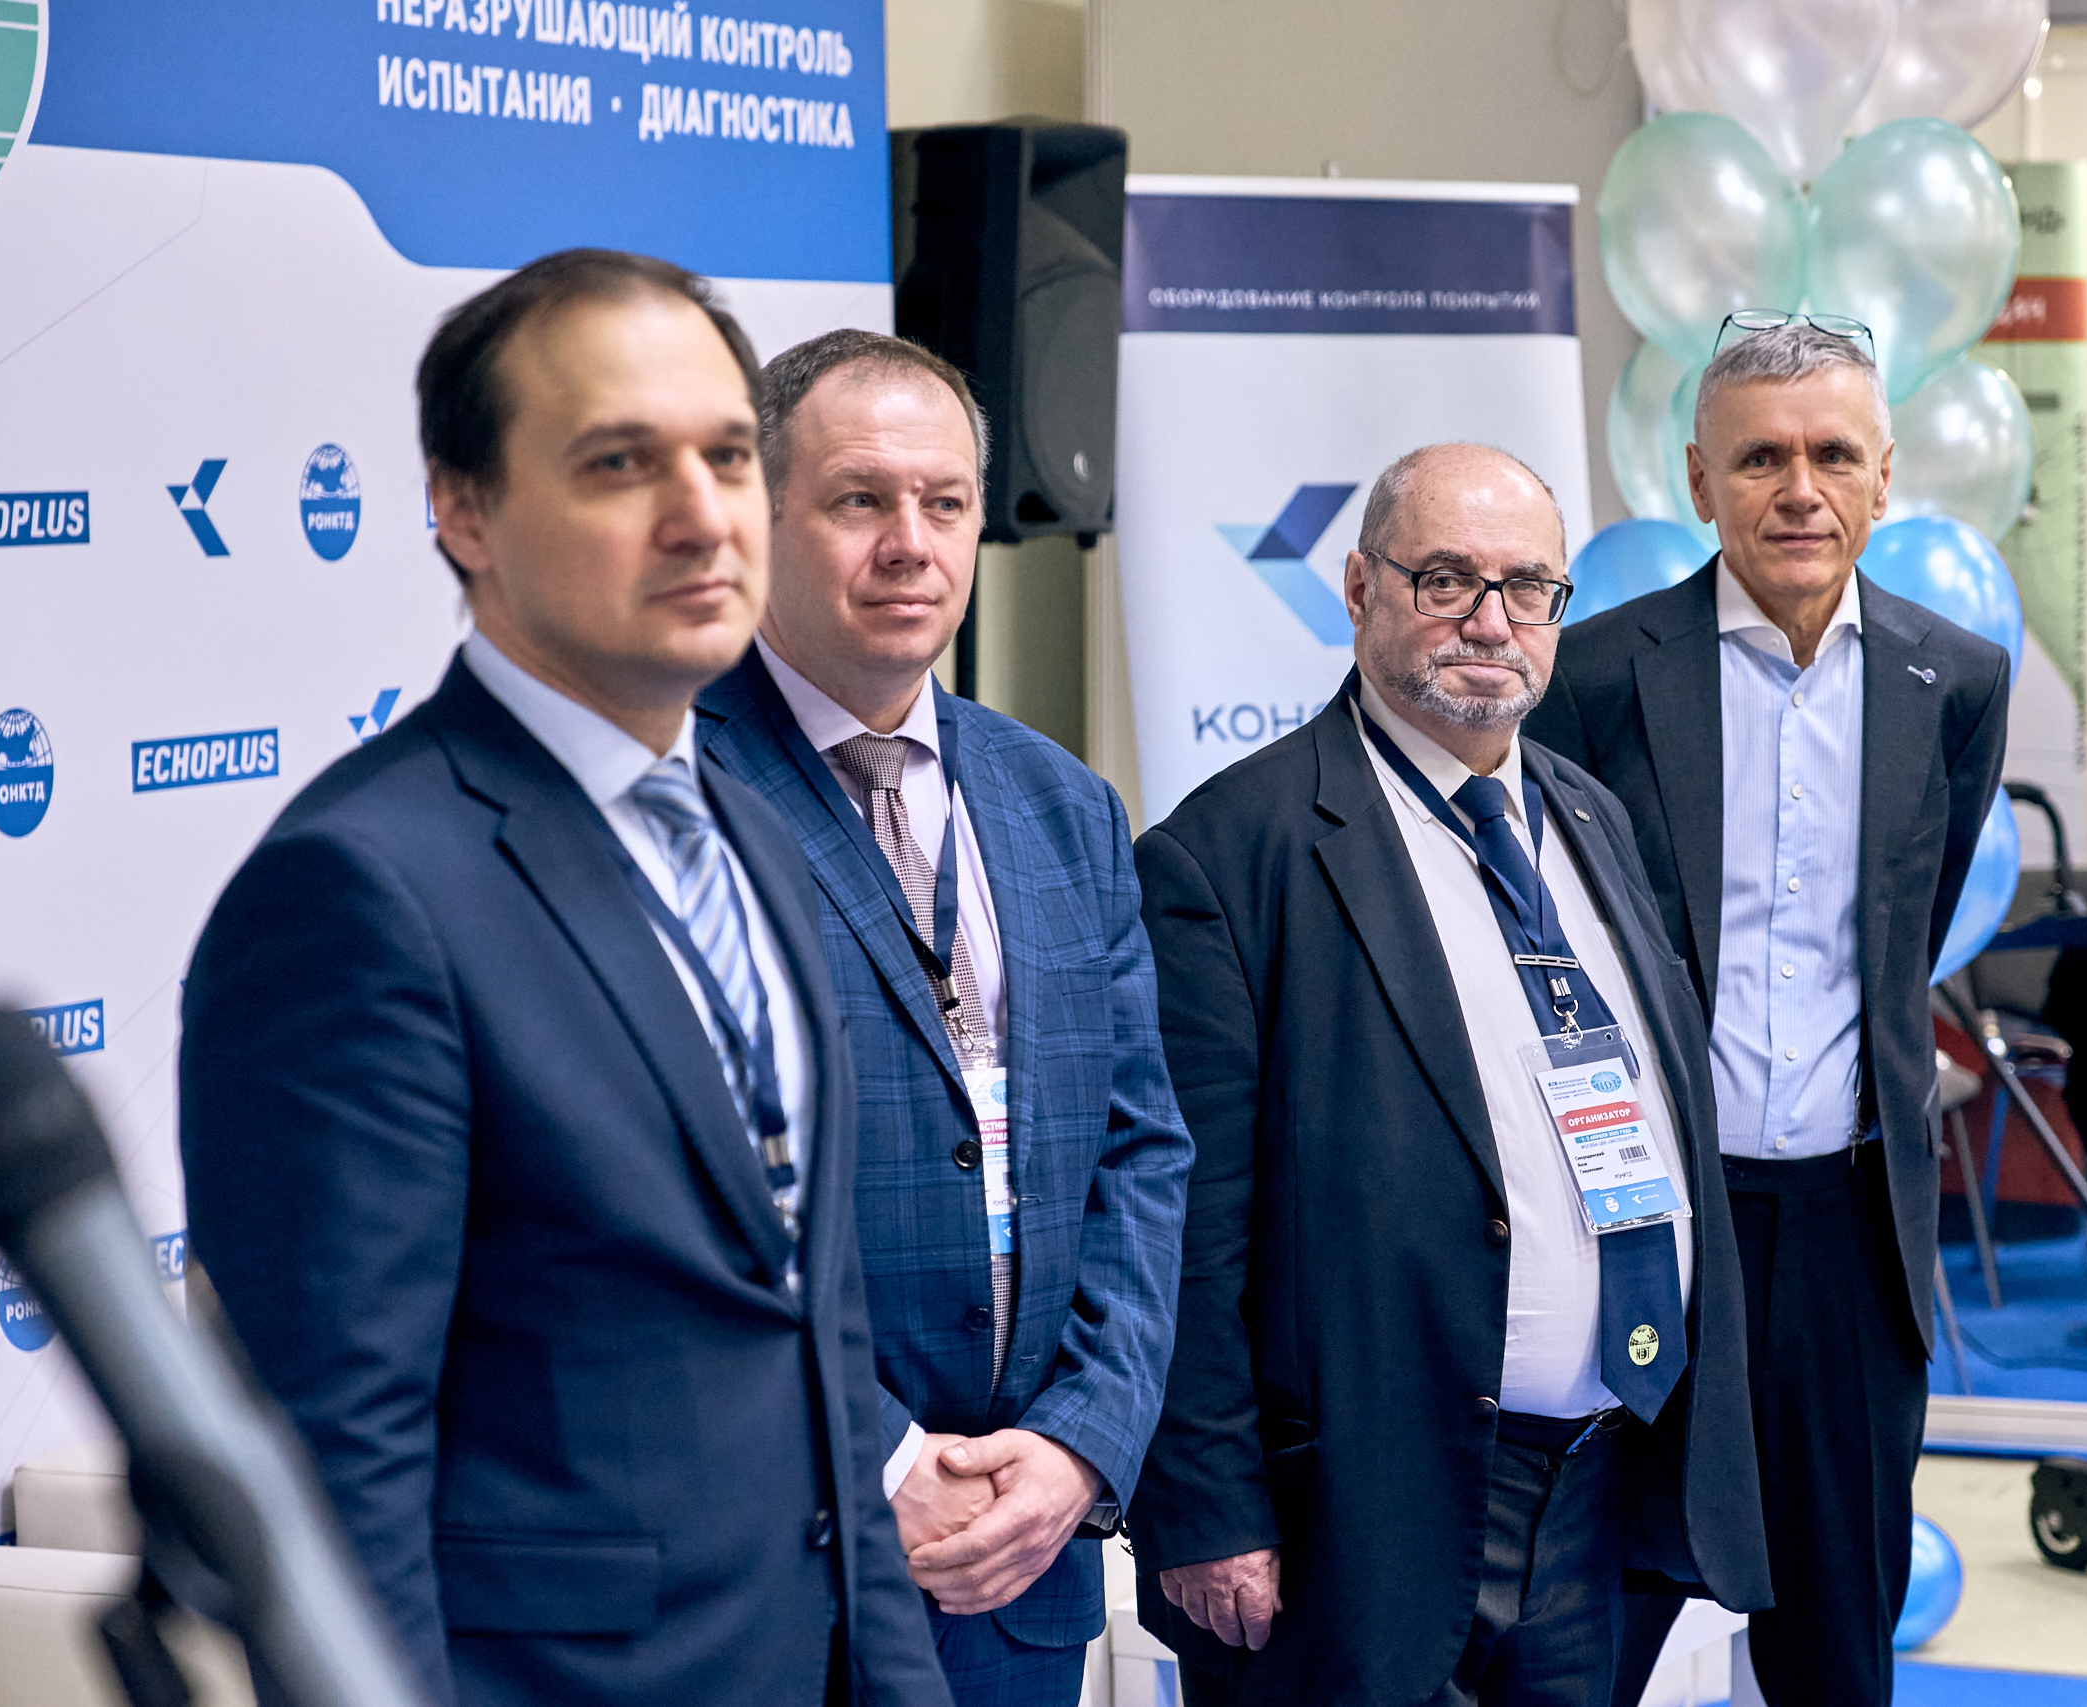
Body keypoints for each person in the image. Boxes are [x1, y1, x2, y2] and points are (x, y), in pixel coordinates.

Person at [178, 251, 950, 1707]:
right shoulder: (357, 891)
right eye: (619, 463)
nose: (700, 514)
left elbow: (818, 1337)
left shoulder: (755, 834)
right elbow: (333, 1475)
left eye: (727, 457)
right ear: (463, 509)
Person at [1128, 442, 1768, 1706]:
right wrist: (1205, 1504)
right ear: (1359, 587)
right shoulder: (1229, 854)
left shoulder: (1588, 816)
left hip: (1599, 1491)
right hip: (1362, 1515)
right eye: (1445, 580)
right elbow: (1181, 1226)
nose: (1490, 621)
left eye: (1528, 587)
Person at [694, 328, 1193, 1706]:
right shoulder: (670, 797)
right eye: (861, 500)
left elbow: (1140, 1152)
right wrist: (883, 1456)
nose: (910, 544)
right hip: (774, 1564)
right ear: (761, 516)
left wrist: (1081, 1442)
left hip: (1020, 1562)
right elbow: (669, 1196)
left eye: (946, 501)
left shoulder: (1061, 803)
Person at [1521, 318, 2009, 1706]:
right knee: (1587, 1632)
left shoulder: (1954, 680)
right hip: (1645, 1222)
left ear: (1883, 476)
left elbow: (1911, 930)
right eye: (1760, 458)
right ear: (1698, 478)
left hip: (1851, 1232)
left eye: (1833, 454)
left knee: (1835, 1648)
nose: (1800, 489)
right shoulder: (1591, 676)